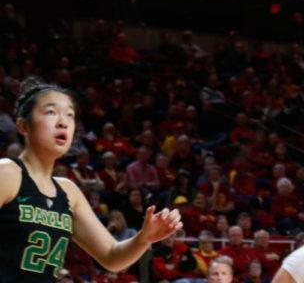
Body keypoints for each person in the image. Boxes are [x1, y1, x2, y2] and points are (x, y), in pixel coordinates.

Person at [0, 78, 181, 282]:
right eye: (51, 112)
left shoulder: (69, 192)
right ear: (24, 125)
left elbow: (112, 256)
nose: (63, 121)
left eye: (70, 115)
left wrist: (143, 238)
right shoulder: (7, 173)